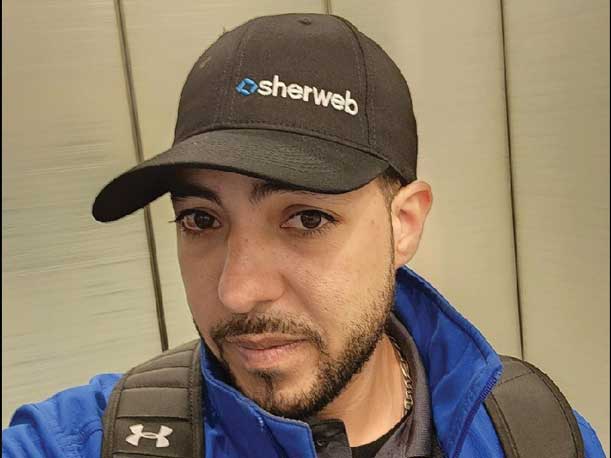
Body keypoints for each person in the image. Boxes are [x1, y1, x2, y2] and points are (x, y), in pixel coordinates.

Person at [2, 13, 605, 458]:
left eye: (307, 219)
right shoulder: (87, 442)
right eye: (201, 220)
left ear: (403, 224)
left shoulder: (534, 436)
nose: (238, 291)